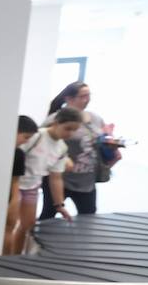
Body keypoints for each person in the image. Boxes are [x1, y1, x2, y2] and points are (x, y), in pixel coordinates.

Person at [39, 82, 115, 219]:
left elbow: (104, 138)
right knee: (48, 215)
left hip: (86, 180)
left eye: (88, 95)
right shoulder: (55, 119)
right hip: (61, 178)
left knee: (89, 217)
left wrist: (109, 143)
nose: (87, 99)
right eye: (83, 96)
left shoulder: (96, 118)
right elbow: (43, 143)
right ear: (69, 98)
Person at [13, 107, 82, 254]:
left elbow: (56, 178)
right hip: (15, 184)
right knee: (10, 223)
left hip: (32, 187)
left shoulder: (61, 148)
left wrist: (60, 205)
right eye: (67, 128)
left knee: (28, 225)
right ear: (56, 122)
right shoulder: (35, 137)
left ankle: (17, 256)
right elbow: (15, 153)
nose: (69, 133)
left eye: (73, 130)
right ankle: (6, 255)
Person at [5, 115, 37, 254]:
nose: (26, 142)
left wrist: (14, 200)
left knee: (9, 227)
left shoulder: (19, 154)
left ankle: (5, 259)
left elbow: (15, 181)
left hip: (9, 196)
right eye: (25, 137)